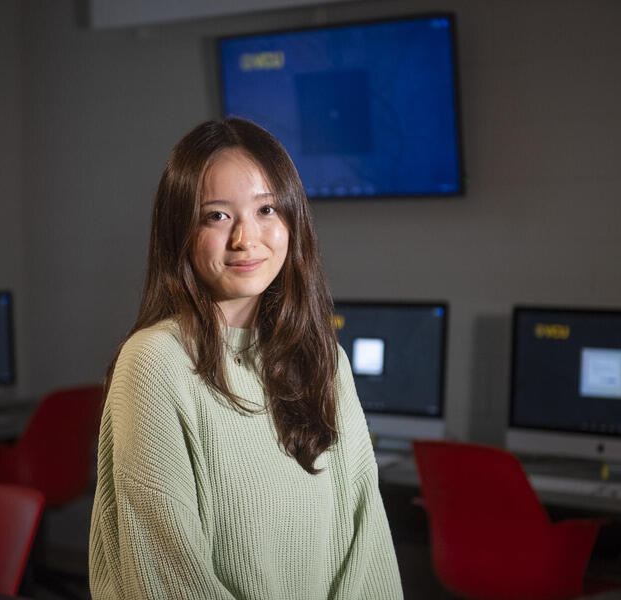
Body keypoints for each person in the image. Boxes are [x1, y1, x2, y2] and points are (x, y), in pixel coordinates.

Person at [89, 118, 403, 599]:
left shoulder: (324, 359)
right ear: (180, 230)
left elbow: (368, 547)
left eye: (267, 210)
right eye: (217, 216)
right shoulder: (155, 362)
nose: (246, 238)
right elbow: (169, 576)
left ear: (293, 221)